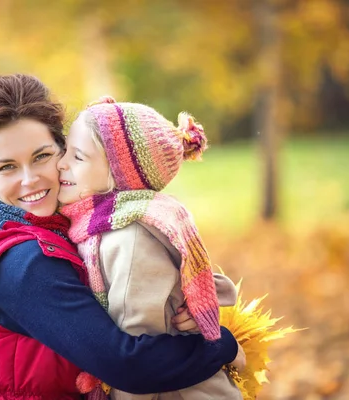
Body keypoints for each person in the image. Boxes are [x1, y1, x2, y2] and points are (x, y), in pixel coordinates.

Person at [0, 74, 245, 400]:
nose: (30, 180)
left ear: (64, 148)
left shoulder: (62, 228)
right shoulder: (24, 262)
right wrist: (222, 345)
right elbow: (127, 365)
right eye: (7, 167)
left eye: (42, 156)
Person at [57, 96, 244, 399]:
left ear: (117, 178)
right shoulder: (91, 226)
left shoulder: (128, 242)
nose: (61, 163)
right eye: (65, 150)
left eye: (78, 157)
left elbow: (139, 364)